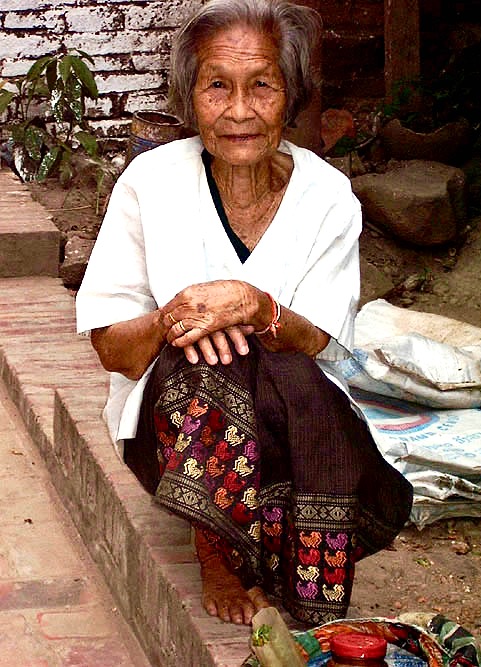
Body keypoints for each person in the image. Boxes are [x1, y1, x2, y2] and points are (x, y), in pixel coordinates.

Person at [76, 0, 412, 628]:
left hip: (293, 424)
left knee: (277, 363)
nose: (238, 110)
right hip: (172, 434)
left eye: (261, 85)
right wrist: (172, 318)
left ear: (291, 95)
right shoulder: (150, 183)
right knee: (202, 357)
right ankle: (220, 555)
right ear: (188, 96)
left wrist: (257, 307)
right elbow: (112, 352)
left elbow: (319, 342)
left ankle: (304, 576)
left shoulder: (328, 196)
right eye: (216, 86)